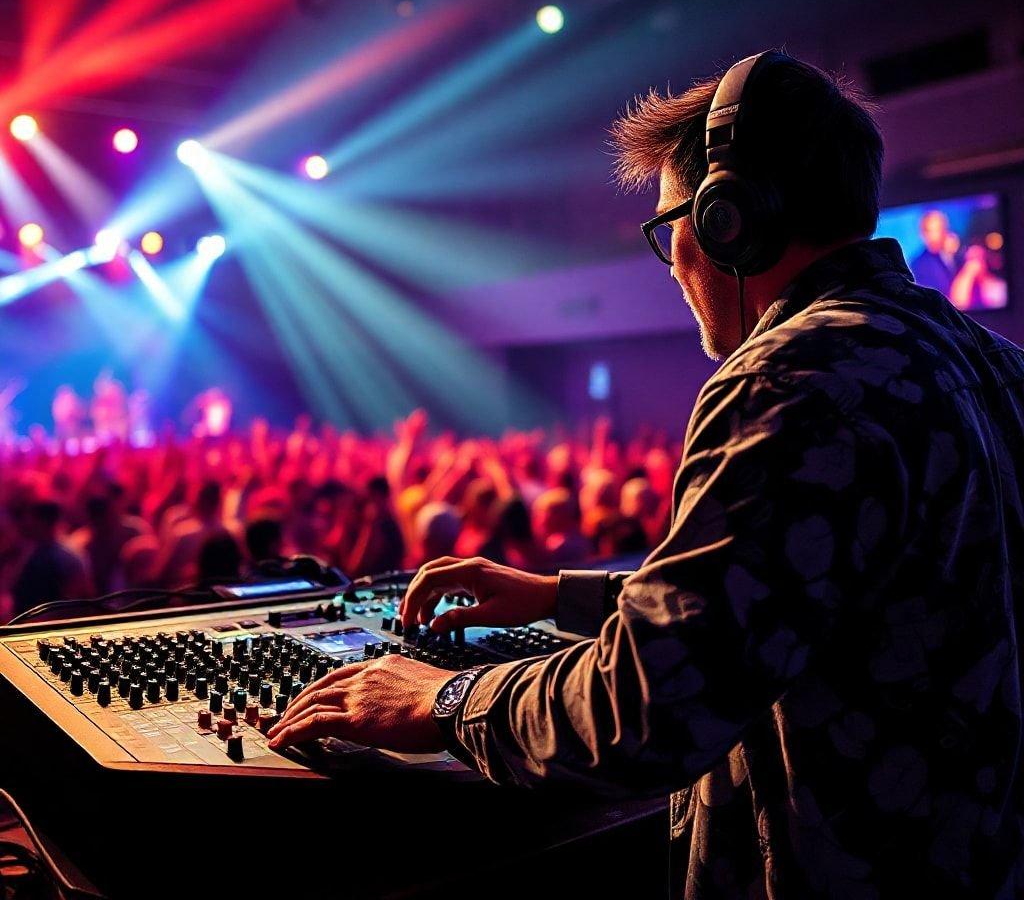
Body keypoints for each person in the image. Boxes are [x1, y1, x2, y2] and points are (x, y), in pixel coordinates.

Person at [267, 50, 1024, 898]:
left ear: (729, 218)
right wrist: (563, 596)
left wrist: (442, 701)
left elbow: (646, 715)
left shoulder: (791, 374)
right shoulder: (990, 361)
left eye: (671, 228)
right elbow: (803, 590)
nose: (672, 263)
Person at [909, 208, 957, 296]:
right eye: (929, 231)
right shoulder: (918, 264)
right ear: (922, 234)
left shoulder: (953, 255)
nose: (934, 236)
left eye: (938, 230)